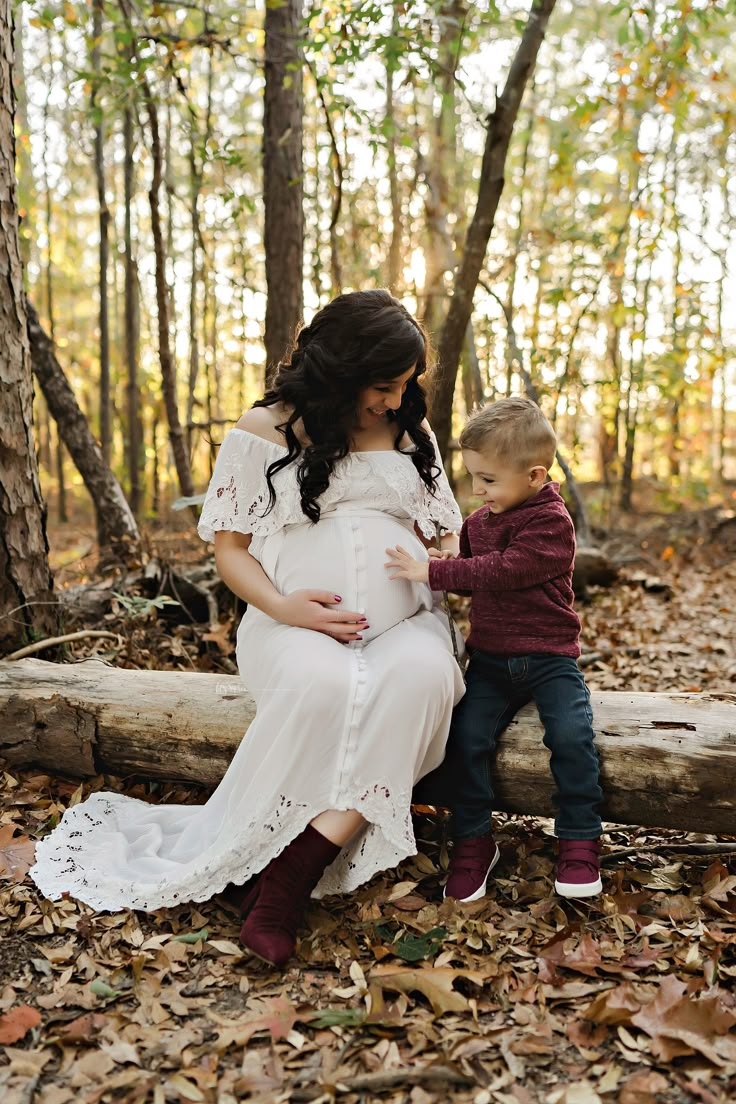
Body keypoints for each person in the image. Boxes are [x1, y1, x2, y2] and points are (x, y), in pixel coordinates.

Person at [29, 289, 465, 967]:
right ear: (341, 372)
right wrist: (288, 608)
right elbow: (229, 550)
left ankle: (290, 872)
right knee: (322, 687)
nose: (393, 399)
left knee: (422, 681)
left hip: (406, 626)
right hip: (288, 624)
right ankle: (274, 863)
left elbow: (451, 541)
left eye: (405, 384)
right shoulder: (264, 429)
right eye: (383, 385)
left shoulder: (412, 434)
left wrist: (439, 566)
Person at [385, 397, 604, 903]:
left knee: (572, 738)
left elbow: (504, 570)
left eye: (487, 480)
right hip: (490, 659)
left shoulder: (552, 523)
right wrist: (446, 556)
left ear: (533, 476)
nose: (477, 491)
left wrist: (436, 572)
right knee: (466, 740)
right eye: (474, 478)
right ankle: (474, 841)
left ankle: (578, 840)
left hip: (550, 659)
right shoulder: (483, 519)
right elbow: (472, 560)